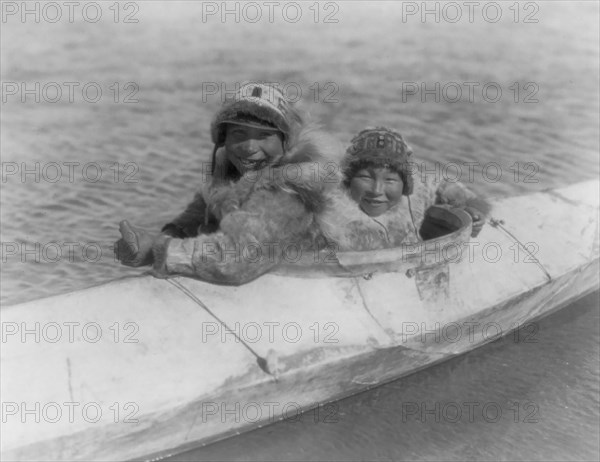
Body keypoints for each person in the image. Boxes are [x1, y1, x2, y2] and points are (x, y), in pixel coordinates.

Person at [115, 82, 344, 283]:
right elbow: (193, 222)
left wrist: (159, 251)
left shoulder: (291, 190)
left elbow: (236, 259)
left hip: (308, 294)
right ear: (224, 139)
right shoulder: (230, 178)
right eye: (238, 134)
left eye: (264, 136)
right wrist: (154, 241)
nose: (249, 147)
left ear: (287, 143)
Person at [317, 127, 490, 251]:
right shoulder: (326, 200)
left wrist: (475, 213)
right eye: (365, 177)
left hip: (408, 270)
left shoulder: (420, 189)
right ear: (347, 181)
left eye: (390, 180)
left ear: (406, 185)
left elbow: (464, 196)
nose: (376, 190)